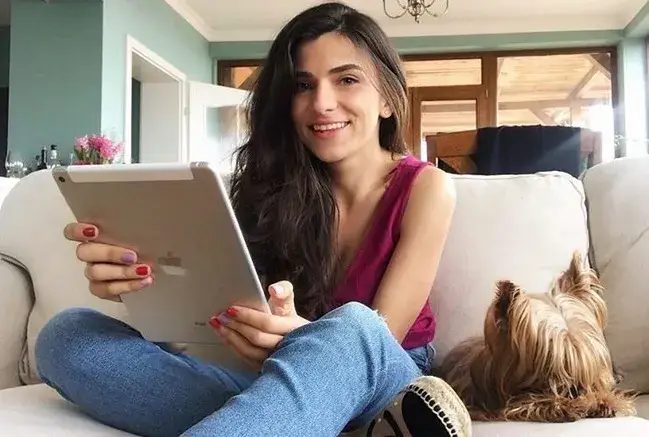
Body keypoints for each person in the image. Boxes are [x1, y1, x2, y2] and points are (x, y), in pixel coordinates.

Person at [34, 2, 471, 437]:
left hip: (380, 378)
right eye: (303, 85)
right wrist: (145, 289)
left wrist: (300, 339)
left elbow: (381, 339)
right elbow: (213, 326)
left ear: (388, 99)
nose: (321, 103)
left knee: (355, 327)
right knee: (68, 336)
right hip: (276, 380)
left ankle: (286, 419)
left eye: (347, 80)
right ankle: (294, 422)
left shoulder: (426, 187)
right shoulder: (269, 189)